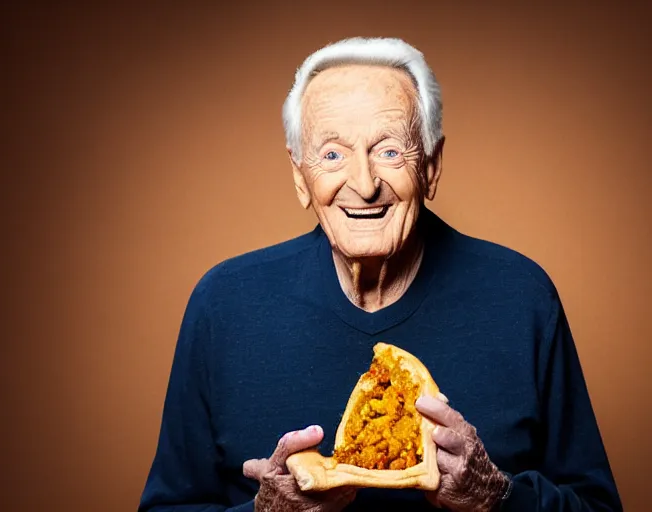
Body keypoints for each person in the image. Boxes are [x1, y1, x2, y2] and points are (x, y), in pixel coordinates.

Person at [138, 37, 622, 511]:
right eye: (332, 154)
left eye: (389, 151)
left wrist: (497, 497)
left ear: (430, 167)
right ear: (299, 177)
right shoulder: (225, 303)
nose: (364, 184)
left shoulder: (521, 296)